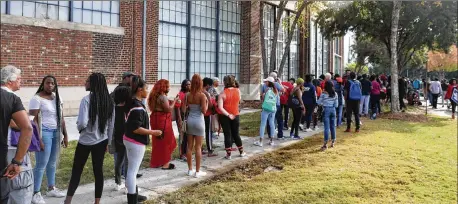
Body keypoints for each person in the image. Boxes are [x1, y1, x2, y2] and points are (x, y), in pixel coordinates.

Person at [62, 73, 115, 204]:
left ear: (93, 84)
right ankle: (97, 202)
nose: (85, 83)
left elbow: (82, 122)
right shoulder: (109, 102)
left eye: (87, 81)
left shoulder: (86, 100)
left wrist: (80, 129)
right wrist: (108, 142)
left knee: (77, 171)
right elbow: (111, 125)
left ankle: (68, 201)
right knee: (98, 171)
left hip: (85, 141)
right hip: (101, 141)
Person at [29, 75, 69, 203]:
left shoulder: (57, 98)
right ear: (43, 83)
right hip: (44, 133)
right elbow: (32, 121)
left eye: (52, 83)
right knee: (41, 164)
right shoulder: (36, 99)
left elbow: (61, 117)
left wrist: (65, 134)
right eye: (48, 83)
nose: (50, 85)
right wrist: (38, 139)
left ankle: (51, 188)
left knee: (52, 162)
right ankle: (35, 193)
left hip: (56, 132)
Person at [124, 76, 162, 204]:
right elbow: (136, 128)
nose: (148, 90)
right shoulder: (137, 107)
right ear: (140, 90)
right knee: (132, 171)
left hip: (129, 139)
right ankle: (132, 199)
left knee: (131, 170)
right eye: (146, 88)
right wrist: (153, 132)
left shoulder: (132, 101)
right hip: (135, 141)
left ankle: (134, 194)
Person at [0, 65, 34, 204]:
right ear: (10, 81)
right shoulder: (11, 99)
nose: (21, 82)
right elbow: (27, 128)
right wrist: (17, 162)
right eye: (19, 79)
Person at [181, 74, 208, 177]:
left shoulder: (187, 95)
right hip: (199, 121)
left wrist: (189, 107)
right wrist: (205, 102)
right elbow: (204, 111)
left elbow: (183, 109)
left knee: (189, 147)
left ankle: (190, 170)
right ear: (200, 83)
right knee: (198, 147)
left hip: (190, 121)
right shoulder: (202, 95)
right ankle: (197, 171)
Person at [148, 79, 178, 169]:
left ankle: (158, 161)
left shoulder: (154, 96)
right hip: (162, 120)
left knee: (157, 141)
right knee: (166, 141)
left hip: (155, 118)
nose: (169, 88)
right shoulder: (162, 97)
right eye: (167, 86)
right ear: (163, 87)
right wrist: (175, 101)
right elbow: (168, 109)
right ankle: (165, 164)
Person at [218, 75, 246, 160]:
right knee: (236, 134)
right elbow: (239, 102)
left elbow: (220, 107)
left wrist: (228, 114)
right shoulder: (238, 91)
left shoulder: (222, 94)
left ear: (224, 82)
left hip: (225, 116)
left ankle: (228, 154)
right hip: (235, 115)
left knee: (227, 134)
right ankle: (241, 152)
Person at [111, 86, 131, 192]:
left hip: (118, 138)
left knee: (119, 161)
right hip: (127, 138)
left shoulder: (114, 108)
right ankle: (129, 185)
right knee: (128, 162)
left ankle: (118, 182)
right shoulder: (127, 109)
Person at [255, 77, 278, 147]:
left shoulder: (267, 90)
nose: (265, 83)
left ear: (269, 82)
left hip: (266, 109)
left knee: (263, 124)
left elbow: (264, 99)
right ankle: (271, 141)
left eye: (266, 82)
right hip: (273, 109)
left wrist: (263, 95)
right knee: (272, 124)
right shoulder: (275, 90)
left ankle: (260, 141)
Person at [262, 72, 285, 139]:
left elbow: (262, 95)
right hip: (276, 104)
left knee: (269, 120)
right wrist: (280, 83)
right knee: (279, 120)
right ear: (275, 78)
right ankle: (280, 135)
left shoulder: (264, 85)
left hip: (267, 105)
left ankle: (270, 134)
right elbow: (283, 90)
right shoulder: (276, 84)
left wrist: (264, 102)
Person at [317, 81, 338, 151]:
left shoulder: (323, 94)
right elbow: (336, 105)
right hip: (333, 110)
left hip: (326, 110)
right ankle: (333, 142)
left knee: (326, 128)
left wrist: (323, 103)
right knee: (333, 127)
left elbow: (319, 102)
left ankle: (325, 144)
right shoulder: (335, 94)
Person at [202, 78, 218, 157]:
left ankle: (200, 149)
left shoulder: (197, 92)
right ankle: (210, 150)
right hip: (207, 114)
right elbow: (211, 105)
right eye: (210, 85)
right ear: (207, 85)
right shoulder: (206, 93)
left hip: (199, 115)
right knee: (208, 132)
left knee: (200, 133)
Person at [176, 79, 191, 160]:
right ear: (183, 85)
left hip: (189, 117)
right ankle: (182, 154)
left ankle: (186, 152)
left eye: (189, 84)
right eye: (187, 84)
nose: (188, 86)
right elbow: (177, 108)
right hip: (182, 117)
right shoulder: (180, 94)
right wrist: (179, 119)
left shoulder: (190, 94)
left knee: (187, 136)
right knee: (182, 136)